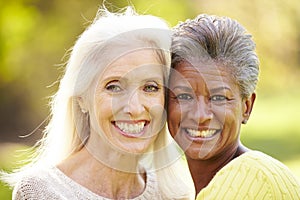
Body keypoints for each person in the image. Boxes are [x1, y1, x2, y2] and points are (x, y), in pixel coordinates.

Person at [1, 7, 194, 199]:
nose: (134, 108)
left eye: (150, 87)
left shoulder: (175, 193)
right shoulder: (41, 192)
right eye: (114, 87)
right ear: (81, 99)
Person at [168, 14, 300, 199]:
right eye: (183, 96)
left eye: (219, 97)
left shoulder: (256, 179)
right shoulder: (180, 188)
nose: (200, 115)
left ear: (246, 107)